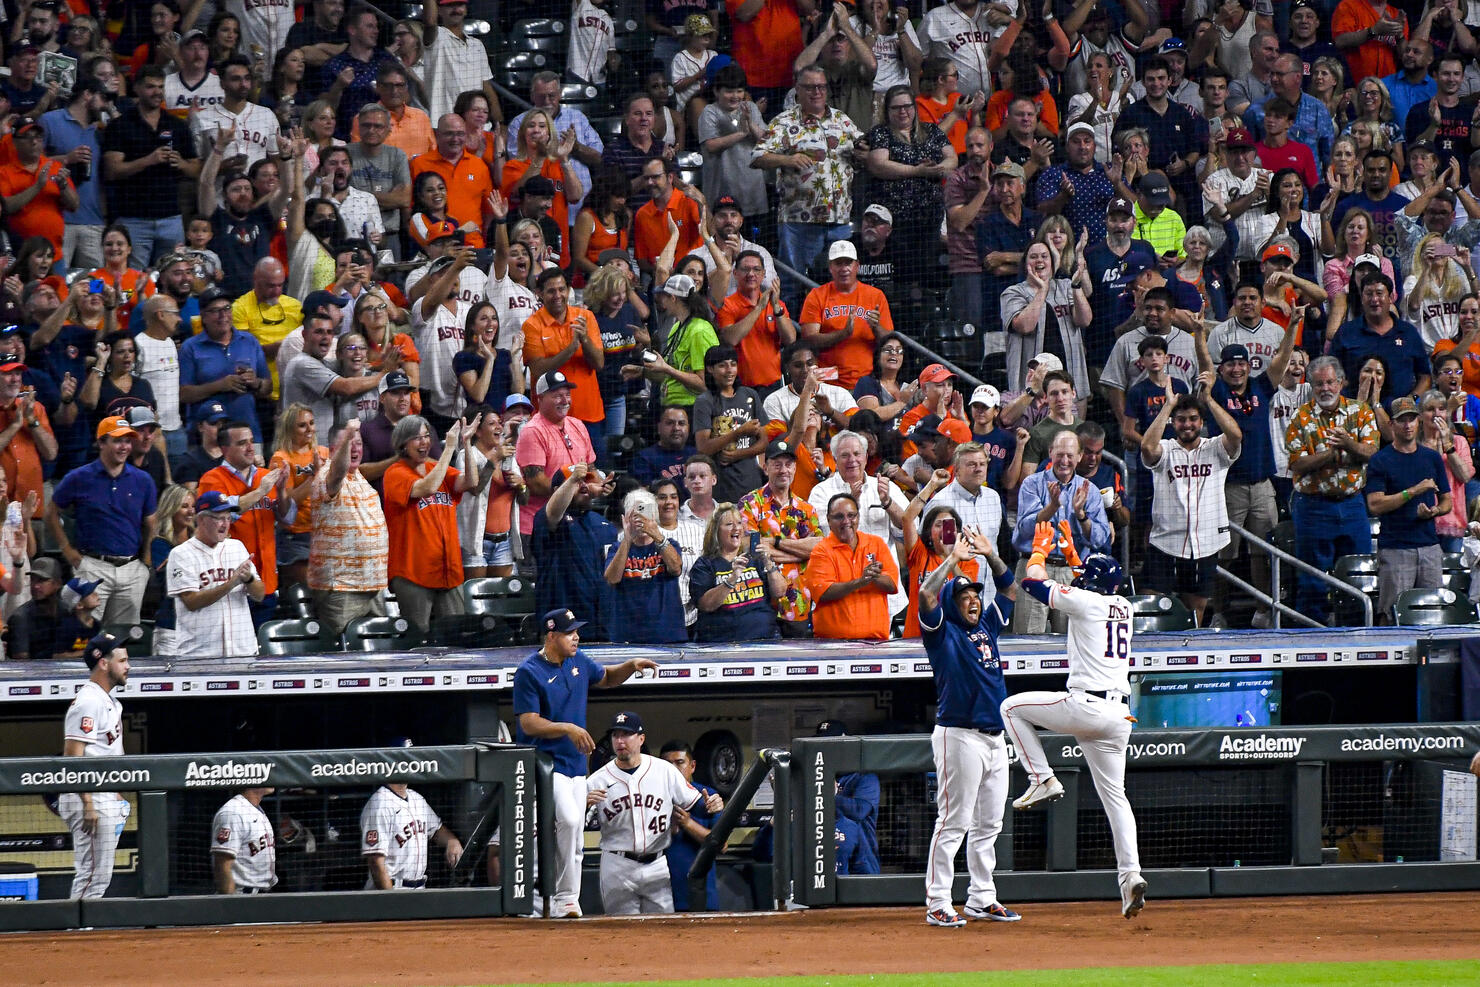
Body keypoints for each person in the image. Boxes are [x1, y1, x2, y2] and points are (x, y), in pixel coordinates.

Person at [1000, 527, 1146, 920]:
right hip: (1120, 717)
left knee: (1012, 708)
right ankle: (1130, 876)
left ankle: (1041, 777)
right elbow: (1088, 584)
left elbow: (1032, 581)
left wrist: (1040, 549)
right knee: (1117, 798)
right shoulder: (1123, 606)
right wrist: (1075, 548)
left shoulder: (1088, 603)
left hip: (1088, 705)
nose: (1078, 580)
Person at [514, 610, 657, 917]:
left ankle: (567, 899)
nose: (576, 637)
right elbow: (528, 723)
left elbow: (606, 677)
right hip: (546, 765)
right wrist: (568, 727)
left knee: (575, 831)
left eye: (576, 631)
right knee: (566, 819)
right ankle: (548, 893)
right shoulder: (530, 671)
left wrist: (630, 667)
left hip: (576, 765)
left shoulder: (579, 661)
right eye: (569, 633)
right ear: (551, 636)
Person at [918, 524, 1018, 928]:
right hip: (958, 734)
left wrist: (990, 554)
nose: (973, 601)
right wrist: (951, 561)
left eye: (975, 594)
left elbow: (1010, 590)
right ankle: (939, 900)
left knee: (990, 823)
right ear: (951, 603)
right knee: (953, 821)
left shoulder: (987, 628)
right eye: (964, 596)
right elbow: (926, 593)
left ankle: (981, 897)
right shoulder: (942, 634)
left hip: (995, 737)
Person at [1140, 383, 1245, 626]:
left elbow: (1236, 435)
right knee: (1150, 607)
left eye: (1193, 419)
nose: (1187, 424)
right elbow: (1146, 447)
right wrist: (1168, 406)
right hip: (1165, 541)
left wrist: (1208, 399)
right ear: (1172, 423)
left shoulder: (1215, 448)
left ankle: (1189, 653)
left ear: (1201, 421)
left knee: (1194, 611)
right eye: (1181, 419)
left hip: (1205, 542)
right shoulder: (1165, 449)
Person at [1285, 356, 1379, 620]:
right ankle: (1311, 636)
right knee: (1312, 578)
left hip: (1352, 505)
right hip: (1313, 508)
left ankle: (1355, 632)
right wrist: (1331, 455)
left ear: (1341, 383)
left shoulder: (1361, 412)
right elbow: (1297, 463)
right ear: (1311, 386)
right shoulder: (1300, 417)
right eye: (1318, 384)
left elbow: (1372, 452)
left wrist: (1349, 445)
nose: (1324, 388)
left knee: (1357, 573)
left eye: (1329, 382)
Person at [752, 63, 864, 281]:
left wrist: (864, 152)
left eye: (821, 87)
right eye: (810, 87)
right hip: (799, 222)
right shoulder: (784, 122)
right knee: (795, 282)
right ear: (797, 89)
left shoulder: (842, 120)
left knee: (840, 283)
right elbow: (757, 157)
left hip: (839, 220)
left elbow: (863, 148)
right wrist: (787, 159)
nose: (817, 92)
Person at [46, 416, 157, 625]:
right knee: (85, 634)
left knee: (121, 639)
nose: (124, 446)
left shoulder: (143, 480)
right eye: (117, 440)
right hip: (92, 565)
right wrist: (67, 550)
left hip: (131, 567)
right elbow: (51, 512)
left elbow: (151, 523)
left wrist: (146, 563)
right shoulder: (79, 477)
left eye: (127, 440)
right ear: (101, 443)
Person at [384, 414, 478, 631]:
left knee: (456, 637)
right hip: (413, 573)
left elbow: (471, 481)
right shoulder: (394, 474)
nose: (424, 442)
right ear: (402, 443)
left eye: (427, 436)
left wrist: (466, 443)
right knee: (418, 638)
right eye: (417, 438)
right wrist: (448, 449)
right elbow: (427, 487)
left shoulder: (438, 470)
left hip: (448, 570)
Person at [101, 65, 200, 268]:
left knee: (172, 276)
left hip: (171, 218)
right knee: (133, 280)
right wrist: (149, 160)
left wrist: (181, 163)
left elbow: (196, 169)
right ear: (136, 88)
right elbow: (111, 171)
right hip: (132, 219)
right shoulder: (120, 125)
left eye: (160, 87)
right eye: (150, 87)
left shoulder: (176, 125)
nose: (157, 92)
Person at [58, 632, 130, 900]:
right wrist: (87, 801)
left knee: (98, 876)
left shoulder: (108, 700)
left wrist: (115, 792)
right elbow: (73, 757)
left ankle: (81, 931)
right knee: (91, 875)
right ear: (103, 663)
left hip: (103, 794)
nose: (128, 666)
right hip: (88, 796)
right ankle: (76, 935)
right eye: (122, 660)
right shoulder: (89, 701)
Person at [1366, 395, 1451, 620]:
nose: (1407, 425)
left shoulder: (1432, 458)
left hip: (1430, 546)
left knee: (1434, 613)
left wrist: (1435, 511)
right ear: (1392, 424)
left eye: (1412, 419)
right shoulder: (1380, 460)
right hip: (1396, 548)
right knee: (1392, 613)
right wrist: (1413, 491)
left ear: (1418, 421)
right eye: (1402, 420)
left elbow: (1447, 501)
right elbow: (1375, 505)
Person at [167, 490, 263, 658]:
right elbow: (191, 601)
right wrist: (230, 584)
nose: (225, 524)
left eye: (228, 518)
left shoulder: (237, 547)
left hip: (243, 651)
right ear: (201, 520)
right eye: (219, 518)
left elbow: (260, 594)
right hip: (200, 654)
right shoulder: (181, 554)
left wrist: (249, 579)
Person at [805, 492, 899, 640]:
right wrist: (860, 582)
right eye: (839, 516)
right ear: (828, 520)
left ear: (858, 517)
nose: (846, 521)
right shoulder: (821, 550)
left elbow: (892, 585)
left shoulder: (876, 543)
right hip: (832, 644)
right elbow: (823, 593)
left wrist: (875, 577)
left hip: (876, 642)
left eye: (851, 515)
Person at [690, 502, 787, 642]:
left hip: (764, 638)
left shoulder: (755, 558)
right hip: (722, 642)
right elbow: (706, 605)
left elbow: (780, 592)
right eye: (729, 524)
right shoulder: (705, 564)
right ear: (716, 530)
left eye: (739, 523)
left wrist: (769, 563)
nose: (736, 528)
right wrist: (732, 579)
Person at [603, 488, 687, 644]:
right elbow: (612, 579)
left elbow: (676, 568)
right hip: (627, 635)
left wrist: (656, 534)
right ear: (626, 518)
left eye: (646, 513)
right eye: (635, 515)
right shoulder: (617, 548)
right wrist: (628, 538)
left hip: (667, 634)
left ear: (654, 516)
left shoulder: (670, 545)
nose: (641, 519)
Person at [361, 773, 464, 890]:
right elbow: (376, 862)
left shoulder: (417, 799)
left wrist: (452, 841)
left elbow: (436, 830)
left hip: (419, 888)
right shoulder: (379, 803)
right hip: (392, 888)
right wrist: (389, 899)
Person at [211, 787, 277, 894]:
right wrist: (230, 904)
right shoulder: (232, 812)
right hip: (241, 898)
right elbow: (222, 863)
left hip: (261, 895)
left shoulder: (256, 809)